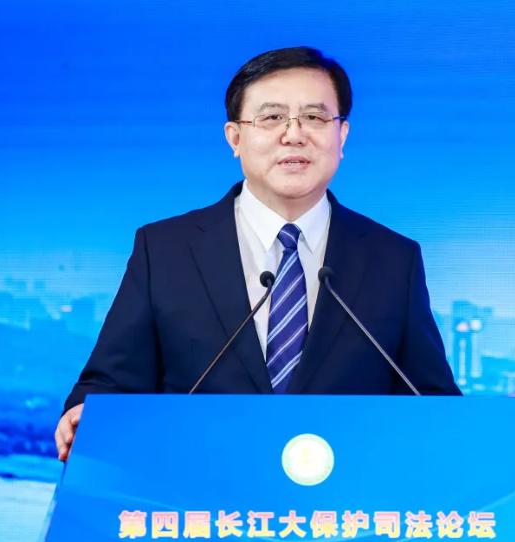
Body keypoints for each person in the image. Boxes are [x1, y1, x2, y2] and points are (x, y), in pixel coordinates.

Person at [55, 46, 461, 461]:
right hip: (197, 488)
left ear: (341, 136)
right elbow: (110, 384)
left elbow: (432, 402)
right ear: (235, 138)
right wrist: (85, 414)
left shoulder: (392, 259)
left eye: (315, 117)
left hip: (344, 494)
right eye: (272, 118)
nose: (294, 134)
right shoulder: (165, 250)